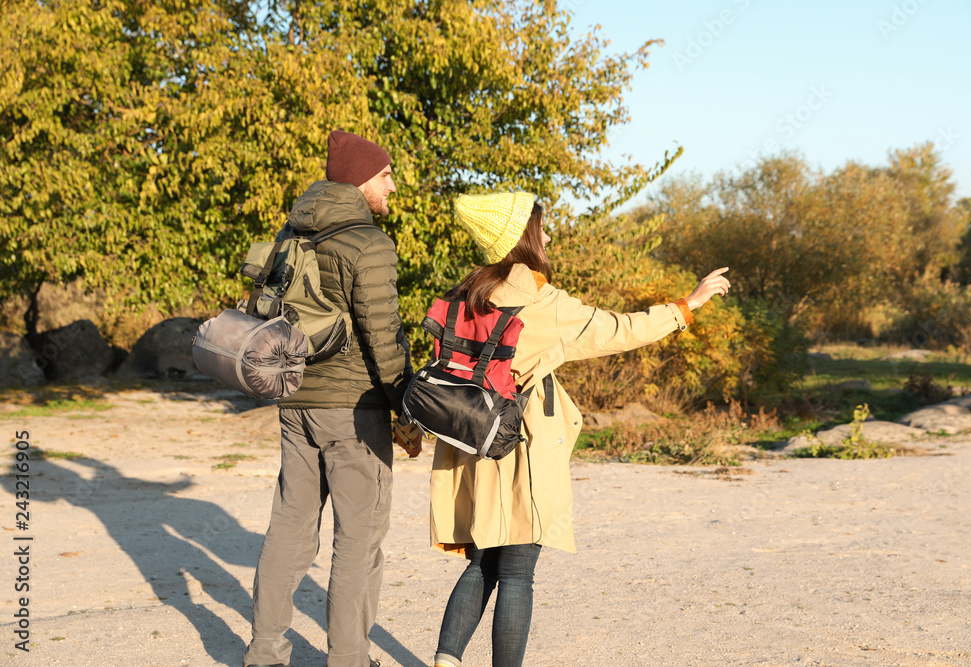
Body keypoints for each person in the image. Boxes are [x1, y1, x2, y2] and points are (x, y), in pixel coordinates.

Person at [428, 192, 731, 667]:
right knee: (518, 572)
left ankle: (445, 662)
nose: (547, 237)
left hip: (469, 441)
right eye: (540, 228)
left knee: (483, 560)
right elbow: (618, 329)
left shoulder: (465, 295)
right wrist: (687, 305)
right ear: (520, 238)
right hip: (517, 445)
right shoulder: (542, 302)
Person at [243, 130, 422, 667]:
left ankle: (265, 654)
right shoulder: (369, 244)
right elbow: (384, 341)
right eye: (386, 175)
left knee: (289, 529)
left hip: (295, 402)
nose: (394, 184)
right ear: (364, 181)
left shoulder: (292, 231)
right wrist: (407, 414)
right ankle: (348, 657)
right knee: (358, 539)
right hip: (355, 410)